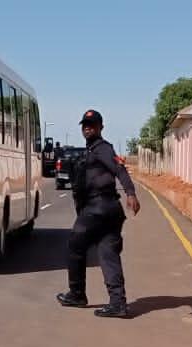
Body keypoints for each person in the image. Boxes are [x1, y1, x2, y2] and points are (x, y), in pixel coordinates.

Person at [56, 109, 141, 318]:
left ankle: (77, 294)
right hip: (110, 209)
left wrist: (131, 193)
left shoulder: (102, 148)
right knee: (108, 254)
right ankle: (118, 303)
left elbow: (119, 169)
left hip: (98, 209)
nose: (87, 128)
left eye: (92, 125)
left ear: (101, 127)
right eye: (85, 125)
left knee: (75, 246)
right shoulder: (93, 149)